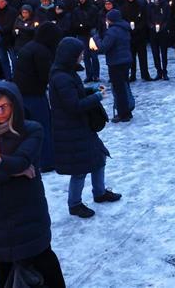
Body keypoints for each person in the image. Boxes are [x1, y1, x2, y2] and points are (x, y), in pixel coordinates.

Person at [0, 82, 66, 287]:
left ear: (15, 106)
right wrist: (14, 173)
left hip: (27, 209)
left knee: (44, 264)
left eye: (6, 106)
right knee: (5, 272)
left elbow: (22, 161)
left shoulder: (31, 130)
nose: (0, 111)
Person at [49, 37, 122, 218]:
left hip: (81, 126)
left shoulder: (67, 72)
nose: (82, 56)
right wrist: (97, 97)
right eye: (80, 53)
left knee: (99, 157)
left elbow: (75, 95)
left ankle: (99, 192)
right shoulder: (61, 77)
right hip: (70, 129)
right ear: (70, 55)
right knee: (80, 169)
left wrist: (91, 90)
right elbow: (73, 106)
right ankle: (75, 204)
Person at [13, 22, 62, 172]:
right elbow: (45, 75)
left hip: (22, 92)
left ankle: (38, 158)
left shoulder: (30, 46)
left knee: (31, 128)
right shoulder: (42, 51)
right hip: (34, 93)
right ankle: (48, 160)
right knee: (43, 126)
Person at [92, 9, 134, 122]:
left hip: (116, 62)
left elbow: (103, 48)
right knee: (125, 86)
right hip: (126, 60)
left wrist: (96, 39)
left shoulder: (112, 31)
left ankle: (123, 113)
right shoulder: (124, 28)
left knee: (118, 89)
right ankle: (128, 110)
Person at [121, 0, 152, 82]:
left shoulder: (140, 5)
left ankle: (145, 74)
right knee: (132, 56)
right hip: (129, 35)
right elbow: (123, 19)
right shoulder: (123, 6)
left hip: (140, 34)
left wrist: (138, 28)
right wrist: (128, 28)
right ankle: (133, 74)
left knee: (143, 55)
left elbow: (144, 18)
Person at [147, 0, 171, 80]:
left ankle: (164, 71)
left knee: (164, 53)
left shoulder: (165, 4)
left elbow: (168, 17)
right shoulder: (149, 5)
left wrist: (163, 27)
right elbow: (148, 18)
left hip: (163, 32)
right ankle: (158, 71)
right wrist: (152, 26)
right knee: (155, 53)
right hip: (153, 32)